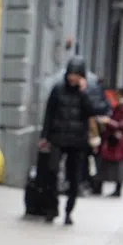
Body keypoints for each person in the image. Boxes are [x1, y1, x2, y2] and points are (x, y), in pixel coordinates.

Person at [39, 56, 108, 225]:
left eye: (76, 74)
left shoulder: (87, 90)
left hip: (78, 141)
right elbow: (49, 113)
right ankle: (52, 208)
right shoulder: (57, 89)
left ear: (82, 76)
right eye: (71, 73)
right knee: (52, 172)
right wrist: (44, 136)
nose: (73, 77)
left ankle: (69, 212)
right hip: (57, 137)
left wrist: (84, 93)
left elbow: (94, 110)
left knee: (74, 177)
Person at [98, 88, 123, 197]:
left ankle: (117, 189)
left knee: (119, 166)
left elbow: (122, 124)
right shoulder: (117, 108)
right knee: (108, 164)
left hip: (120, 141)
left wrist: (109, 122)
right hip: (113, 140)